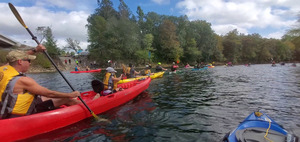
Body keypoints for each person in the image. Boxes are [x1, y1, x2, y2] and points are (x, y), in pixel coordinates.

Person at [0, 45, 81, 119]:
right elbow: (49, 93)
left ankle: (75, 102)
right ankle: (85, 107)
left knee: (44, 98)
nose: (30, 63)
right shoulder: (23, 80)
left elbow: (13, 58)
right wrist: (70, 94)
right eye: (28, 60)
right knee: (66, 99)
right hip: (18, 117)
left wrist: (36, 50)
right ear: (20, 62)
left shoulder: (3, 70)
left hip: (5, 109)